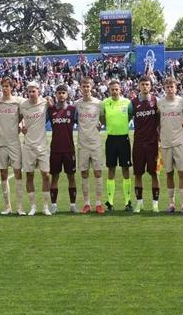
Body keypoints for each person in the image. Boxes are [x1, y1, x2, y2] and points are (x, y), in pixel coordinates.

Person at [0, 77, 26, 215]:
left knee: (17, 173)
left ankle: (20, 207)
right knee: (3, 174)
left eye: (7, 86)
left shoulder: (19, 102)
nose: (5, 88)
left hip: (14, 143)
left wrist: (21, 124)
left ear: (12, 87)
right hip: (0, 143)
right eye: (3, 86)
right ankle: (7, 206)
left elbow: (26, 113)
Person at [19, 81, 51, 215]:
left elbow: (54, 106)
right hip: (28, 146)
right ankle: (33, 207)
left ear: (38, 91)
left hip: (42, 146)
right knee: (29, 175)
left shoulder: (45, 103)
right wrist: (20, 126)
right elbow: (18, 119)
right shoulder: (23, 106)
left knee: (46, 175)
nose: (32, 94)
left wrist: (51, 100)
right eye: (29, 91)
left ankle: (45, 206)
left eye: (34, 91)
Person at [159, 77, 183, 214]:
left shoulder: (182, 102)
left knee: (182, 172)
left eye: (172, 86)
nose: (170, 89)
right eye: (167, 87)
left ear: (176, 88)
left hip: (179, 143)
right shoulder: (160, 103)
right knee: (169, 173)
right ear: (164, 88)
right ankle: (171, 203)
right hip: (165, 143)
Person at [102, 79, 133, 213]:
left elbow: (130, 115)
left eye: (116, 89)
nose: (114, 91)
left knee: (126, 170)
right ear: (109, 91)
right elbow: (102, 118)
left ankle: (127, 202)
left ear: (120, 90)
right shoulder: (105, 103)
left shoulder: (127, 103)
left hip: (124, 139)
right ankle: (110, 203)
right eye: (112, 89)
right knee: (111, 170)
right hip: (111, 139)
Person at [74, 77, 104, 213]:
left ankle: (98, 203)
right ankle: (87, 203)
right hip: (82, 144)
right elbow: (74, 119)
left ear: (91, 87)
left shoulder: (99, 104)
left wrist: (100, 124)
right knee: (84, 173)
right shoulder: (77, 104)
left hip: (96, 144)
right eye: (83, 86)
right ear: (80, 88)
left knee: (98, 172)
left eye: (88, 86)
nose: (86, 89)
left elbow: (103, 119)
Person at [131, 76, 160, 213]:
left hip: (153, 143)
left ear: (151, 86)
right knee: (138, 174)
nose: (144, 87)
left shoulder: (156, 101)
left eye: (147, 84)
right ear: (138, 86)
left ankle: (155, 204)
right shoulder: (133, 103)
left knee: (154, 173)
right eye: (142, 84)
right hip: (138, 143)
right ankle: (139, 203)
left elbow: (161, 120)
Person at [48, 84, 78, 214]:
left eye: (63, 93)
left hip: (69, 149)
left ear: (67, 95)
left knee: (71, 177)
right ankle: (54, 205)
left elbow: (83, 122)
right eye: (59, 93)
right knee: (54, 177)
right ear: (56, 94)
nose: (61, 95)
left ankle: (73, 205)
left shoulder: (72, 109)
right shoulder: (50, 110)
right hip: (55, 149)